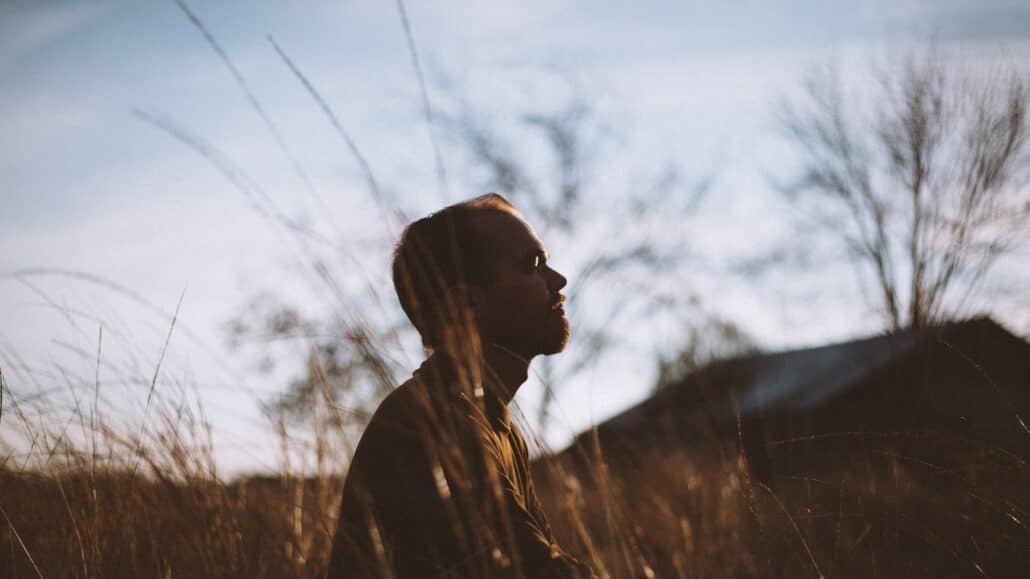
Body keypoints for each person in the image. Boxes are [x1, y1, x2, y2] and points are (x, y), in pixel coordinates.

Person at [327, 194, 594, 578]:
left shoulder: (494, 423)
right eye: (533, 265)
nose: (558, 280)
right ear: (465, 305)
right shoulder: (437, 421)